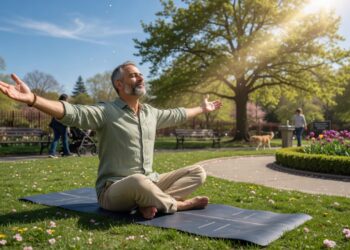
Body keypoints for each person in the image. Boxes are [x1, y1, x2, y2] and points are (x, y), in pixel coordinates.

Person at [0, 61, 222, 219]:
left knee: (198, 172)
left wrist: (202, 108)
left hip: (150, 182)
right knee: (137, 181)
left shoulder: (150, 113)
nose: (140, 77)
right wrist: (32, 99)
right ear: (119, 84)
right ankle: (177, 206)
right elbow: (72, 112)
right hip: (113, 191)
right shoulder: (106, 111)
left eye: (140, 74)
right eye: (133, 75)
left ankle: (149, 203)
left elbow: (178, 113)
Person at [48, 94, 73, 158]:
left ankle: (52, 153)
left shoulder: (56, 104)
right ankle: (67, 153)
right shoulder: (65, 105)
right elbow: (66, 115)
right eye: (67, 99)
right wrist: (68, 127)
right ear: (65, 99)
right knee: (64, 139)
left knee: (56, 138)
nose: (68, 100)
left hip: (54, 123)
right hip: (61, 123)